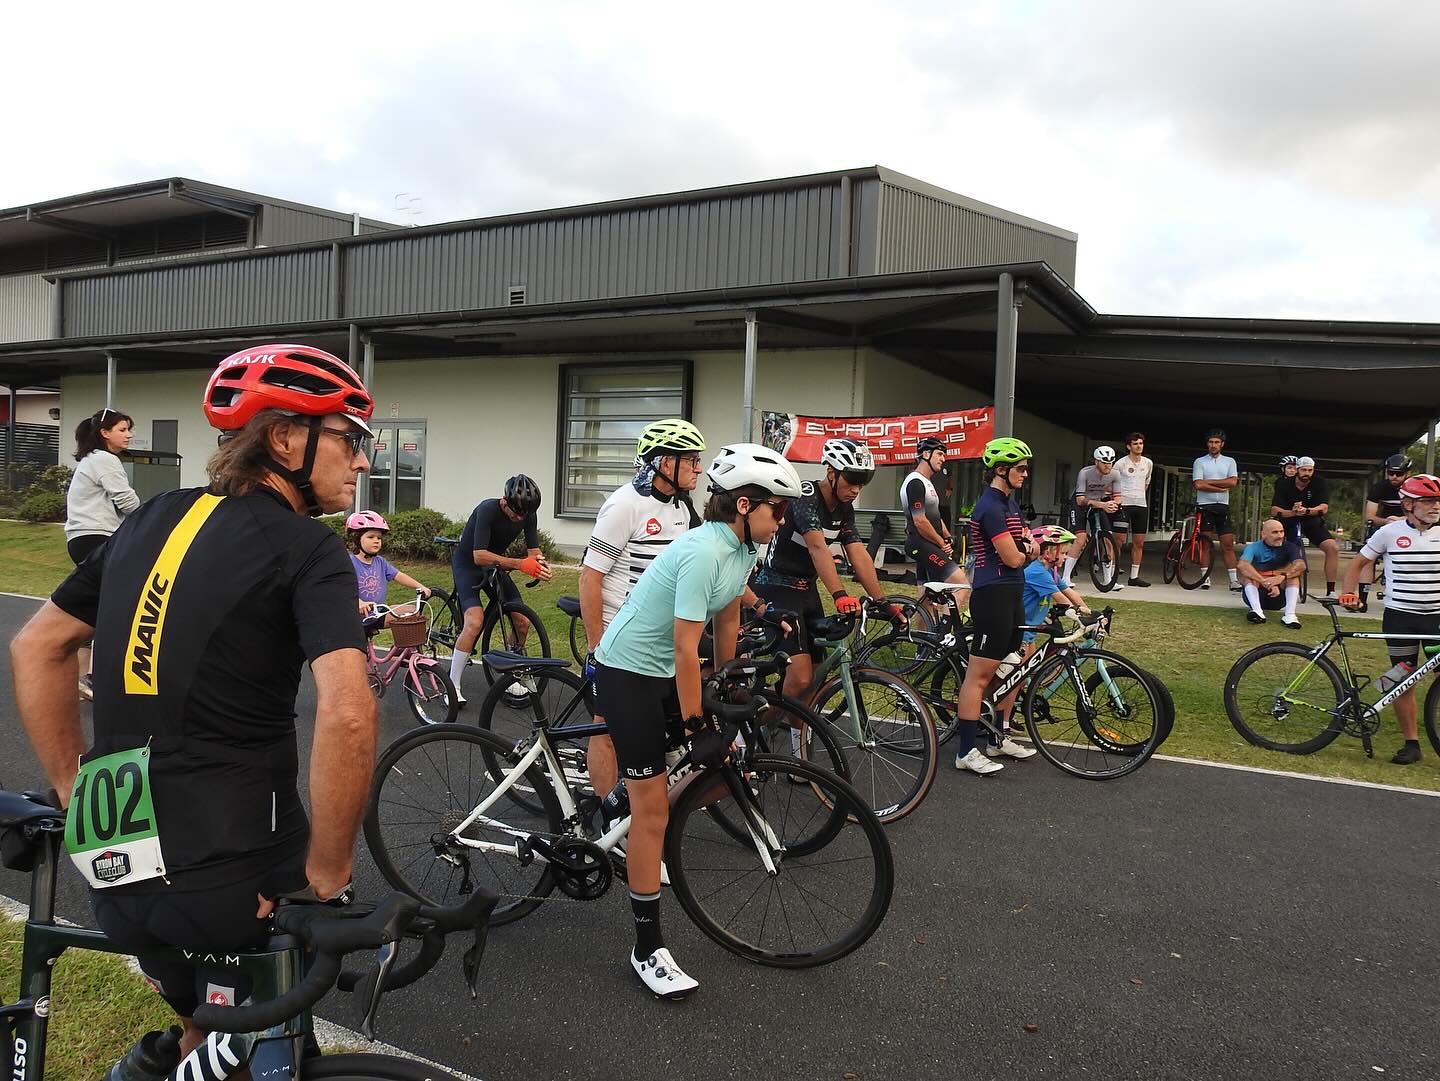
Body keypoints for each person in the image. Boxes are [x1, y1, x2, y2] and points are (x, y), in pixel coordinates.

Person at [11, 343, 378, 1078]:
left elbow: (38, 645)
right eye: (350, 439)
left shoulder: (152, 518)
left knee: (203, 1038)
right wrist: (331, 873)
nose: (362, 460)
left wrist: (72, 787)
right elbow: (348, 713)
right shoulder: (307, 548)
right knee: (255, 1049)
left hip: (113, 859)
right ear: (285, 439)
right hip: (236, 868)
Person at [592, 442, 802, 999]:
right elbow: (688, 648)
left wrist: (728, 681)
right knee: (654, 813)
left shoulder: (743, 549)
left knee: (712, 766)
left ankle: (615, 801)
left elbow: (728, 616)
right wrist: (695, 721)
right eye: (778, 508)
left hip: (663, 668)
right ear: (743, 506)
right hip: (629, 672)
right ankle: (646, 949)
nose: (782, 520)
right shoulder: (705, 550)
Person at [581, 419, 707, 805]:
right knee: (604, 729)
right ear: (665, 463)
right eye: (691, 460)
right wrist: (596, 647)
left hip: (659, 638)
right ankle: (605, 815)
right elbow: (589, 578)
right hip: (619, 638)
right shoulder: (624, 505)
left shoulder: (682, 505)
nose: (699, 468)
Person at [754, 438, 899, 712]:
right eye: (851, 481)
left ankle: (797, 737)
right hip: (776, 589)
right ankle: (749, 719)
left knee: (813, 681)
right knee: (800, 678)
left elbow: (858, 553)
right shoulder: (805, 495)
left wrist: (882, 601)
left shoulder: (845, 509)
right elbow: (817, 547)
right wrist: (840, 595)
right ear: (831, 472)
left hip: (806, 592)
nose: (856, 490)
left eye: (862, 483)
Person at [953, 436, 1041, 775]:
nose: (1025, 474)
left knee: (1011, 667)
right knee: (979, 676)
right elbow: (1014, 556)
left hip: (1012, 592)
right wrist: (1026, 551)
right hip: (993, 595)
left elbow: (1029, 545)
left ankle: (997, 737)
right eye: (1021, 468)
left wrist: (1026, 549)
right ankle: (965, 751)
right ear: (1001, 469)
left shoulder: (1010, 505)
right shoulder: (990, 507)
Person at [1339, 473, 1440, 765]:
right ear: (1408, 504)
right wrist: (1348, 592)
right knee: (1402, 679)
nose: (1435, 506)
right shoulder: (1389, 532)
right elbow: (1359, 562)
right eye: (1427, 501)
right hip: (1400, 617)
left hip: (1436, 618)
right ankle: (1411, 743)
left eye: (1437, 501)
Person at [448, 474, 553, 703]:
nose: (519, 518)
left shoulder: (527, 514)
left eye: (523, 515)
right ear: (505, 501)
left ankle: (511, 673)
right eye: (516, 513)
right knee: (475, 621)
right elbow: (479, 556)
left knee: (522, 622)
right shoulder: (487, 509)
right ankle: (452, 685)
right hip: (468, 565)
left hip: (493, 566)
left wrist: (540, 565)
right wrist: (520, 564)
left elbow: (533, 551)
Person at [64, 406, 142, 701]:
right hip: (97, 537)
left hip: (83, 538)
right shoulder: (104, 459)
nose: (129, 435)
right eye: (123, 429)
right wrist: (151, 519)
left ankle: (83, 679)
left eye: (129, 429)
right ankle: (94, 676)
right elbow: (126, 499)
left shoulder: (91, 459)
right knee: (115, 604)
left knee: (97, 604)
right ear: (104, 433)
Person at [900, 437, 969, 608]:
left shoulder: (926, 482)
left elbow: (935, 516)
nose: (943, 459)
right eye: (939, 454)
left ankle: (921, 625)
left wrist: (946, 535)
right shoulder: (915, 482)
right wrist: (941, 544)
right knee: (960, 583)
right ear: (926, 454)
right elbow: (920, 521)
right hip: (920, 543)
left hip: (927, 543)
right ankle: (946, 625)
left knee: (927, 602)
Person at [345, 510, 431, 627]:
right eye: (371, 537)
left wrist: (419, 586)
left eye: (379, 538)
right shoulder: (349, 563)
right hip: (354, 620)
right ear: (357, 539)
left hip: (377, 615)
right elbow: (340, 589)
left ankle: (408, 641)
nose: (376, 541)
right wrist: (358, 602)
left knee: (413, 612)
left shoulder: (380, 562)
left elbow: (398, 576)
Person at [1271, 456, 1339, 598]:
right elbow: (1274, 510)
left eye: (1310, 470)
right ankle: (1277, 583)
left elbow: (1324, 508)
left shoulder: (1319, 483)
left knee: (1332, 547)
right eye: (1303, 470)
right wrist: (1292, 512)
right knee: (1276, 545)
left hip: (1311, 520)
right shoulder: (1284, 483)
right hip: (1289, 520)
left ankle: (1331, 590)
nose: (1306, 473)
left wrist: (1307, 511)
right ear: (1297, 470)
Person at [1063, 446, 1123, 589]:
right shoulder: (1085, 473)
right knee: (1080, 538)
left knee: (1108, 539)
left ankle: (1108, 580)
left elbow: (1118, 496)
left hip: (1099, 503)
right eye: (1104, 462)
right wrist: (1103, 505)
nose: (1108, 465)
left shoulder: (1115, 474)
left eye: (1111, 462)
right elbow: (1080, 500)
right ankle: (1065, 578)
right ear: (1096, 462)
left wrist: (1114, 504)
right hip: (1080, 504)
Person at [1359, 454, 1412, 611]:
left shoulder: (1414, 488)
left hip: (1411, 526)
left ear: (1408, 473)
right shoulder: (1379, 487)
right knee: (1367, 558)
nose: (1394, 477)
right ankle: (1362, 599)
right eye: (1390, 473)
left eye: (1399, 473)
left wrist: (1401, 520)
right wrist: (1387, 522)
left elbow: (1421, 513)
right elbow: (1370, 516)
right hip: (1384, 525)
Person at [1192, 428, 1241, 591]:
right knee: (1205, 544)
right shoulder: (1200, 461)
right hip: (1204, 506)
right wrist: (1221, 486)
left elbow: (1233, 482)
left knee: (1227, 544)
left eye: (1216, 442)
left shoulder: (1230, 461)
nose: (1213, 445)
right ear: (1207, 444)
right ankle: (1205, 578)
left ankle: (1234, 581)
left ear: (1222, 444)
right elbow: (1198, 484)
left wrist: (1208, 482)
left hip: (1222, 507)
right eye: (1211, 442)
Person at [1023, 525, 1090, 641]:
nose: (1065, 557)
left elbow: (1069, 592)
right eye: (1063, 553)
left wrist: (1089, 613)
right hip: (1022, 628)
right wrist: (1079, 614)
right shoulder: (1037, 572)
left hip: (1030, 628)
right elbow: (1061, 599)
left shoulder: (1049, 571)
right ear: (1047, 553)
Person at [1237, 519, 1306, 627]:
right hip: (1258, 590)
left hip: (1280, 595)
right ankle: (1257, 611)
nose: (1280, 535)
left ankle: (1290, 615)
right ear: (1264, 534)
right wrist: (1265, 582)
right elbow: (1242, 565)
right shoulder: (1253, 547)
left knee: (1293, 577)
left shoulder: (1291, 547)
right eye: (1275, 532)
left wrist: (1282, 577)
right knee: (1246, 576)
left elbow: (1301, 565)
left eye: (1281, 531)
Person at [1114, 433, 1153, 587]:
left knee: (1139, 542)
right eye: (1135, 444)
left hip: (1141, 505)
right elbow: (1112, 482)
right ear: (1128, 446)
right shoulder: (1120, 463)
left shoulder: (1148, 463)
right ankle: (1112, 573)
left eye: (1141, 443)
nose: (1139, 446)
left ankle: (1134, 577)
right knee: (1119, 541)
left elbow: (1147, 483)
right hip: (1124, 505)